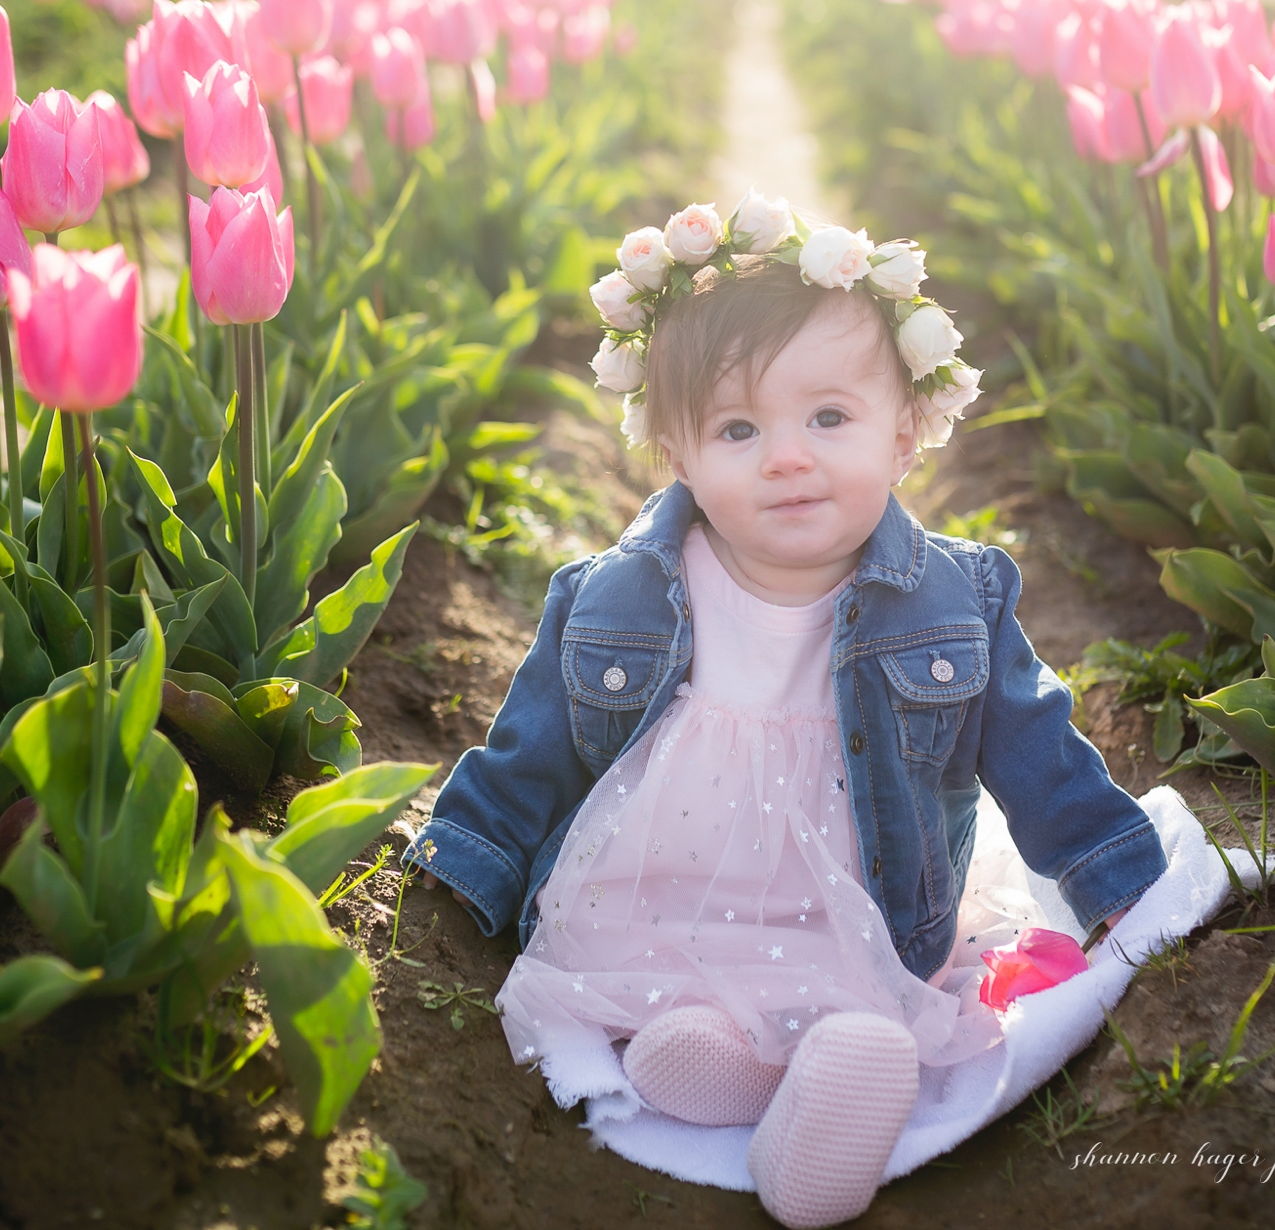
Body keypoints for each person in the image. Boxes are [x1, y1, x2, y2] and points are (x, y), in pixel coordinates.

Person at [402, 192, 1168, 1229]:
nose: (786, 456)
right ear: (675, 454)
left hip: (863, 894)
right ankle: (720, 1062)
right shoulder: (612, 599)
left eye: (827, 417)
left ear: (904, 433)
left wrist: (1113, 883)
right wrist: (457, 875)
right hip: (662, 891)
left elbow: (1038, 755)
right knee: (666, 986)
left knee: (859, 989)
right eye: (736, 427)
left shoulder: (955, 600)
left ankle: (826, 1084)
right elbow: (529, 754)